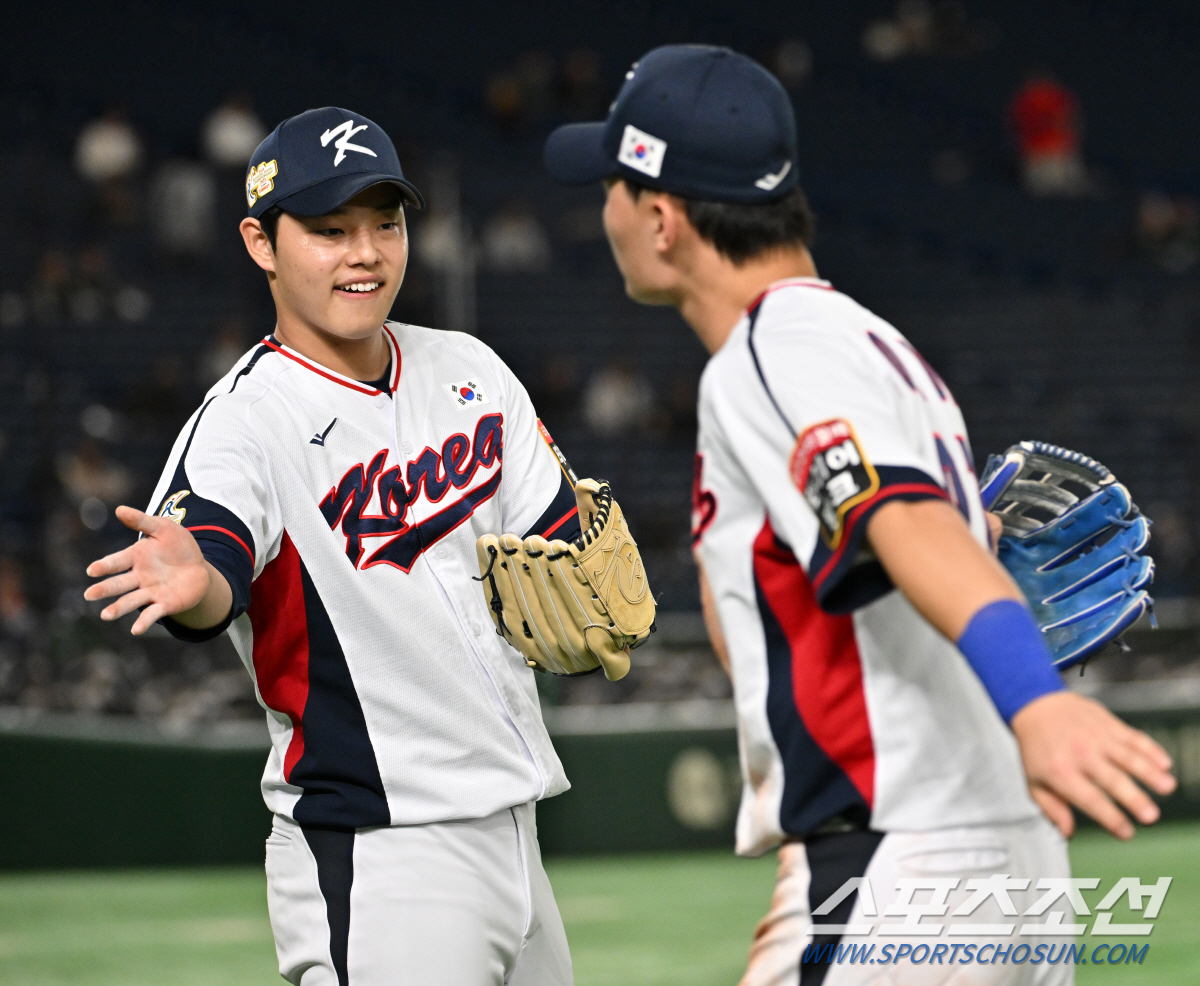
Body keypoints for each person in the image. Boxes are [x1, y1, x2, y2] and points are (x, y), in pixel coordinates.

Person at [544, 45, 1176, 985]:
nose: (605, 210)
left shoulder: (770, 353)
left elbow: (907, 525)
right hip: (993, 852)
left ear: (663, 217)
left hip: (902, 852)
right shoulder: (865, 339)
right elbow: (899, 546)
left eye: (613, 186)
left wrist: (1038, 699)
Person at [84, 107, 586, 986]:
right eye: (329, 229)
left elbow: (562, 540)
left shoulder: (467, 368)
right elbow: (214, 559)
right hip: (380, 858)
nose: (365, 252)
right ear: (261, 243)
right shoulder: (245, 420)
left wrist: (581, 575)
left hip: (519, 829)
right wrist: (198, 581)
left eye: (384, 224)